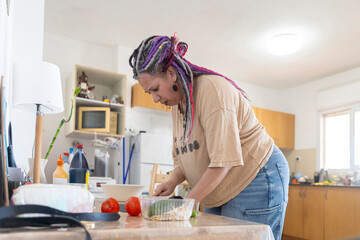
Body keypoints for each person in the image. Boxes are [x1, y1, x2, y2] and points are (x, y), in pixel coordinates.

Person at [129, 34, 289, 240]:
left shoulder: (212, 91)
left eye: (155, 89)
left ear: (171, 74)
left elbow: (224, 162)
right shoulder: (177, 105)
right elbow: (184, 158)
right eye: (149, 93)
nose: (155, 98)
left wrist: (185, 205)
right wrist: (172, 181)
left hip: (256, 177)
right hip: (219, 188)